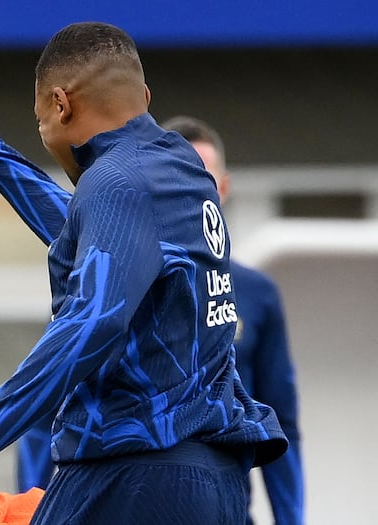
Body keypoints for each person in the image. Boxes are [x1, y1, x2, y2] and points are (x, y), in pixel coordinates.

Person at [0, 23, 288, 525]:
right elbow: (87, 235)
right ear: (145, 96)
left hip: (133, 477)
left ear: (61, 105)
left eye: (40, 117)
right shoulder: (181, 168)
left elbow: (90, 323)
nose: (44, 134)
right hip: (214, 483)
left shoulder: (115, 181)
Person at [162, 115, 304, 524]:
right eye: (179, 179)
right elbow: (49, 418)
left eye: (203, 179)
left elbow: (283, 423)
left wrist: (291, 518)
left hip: (228, 510)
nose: (191, 193)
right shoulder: (118, 282)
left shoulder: (257, 294)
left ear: (223, 189)